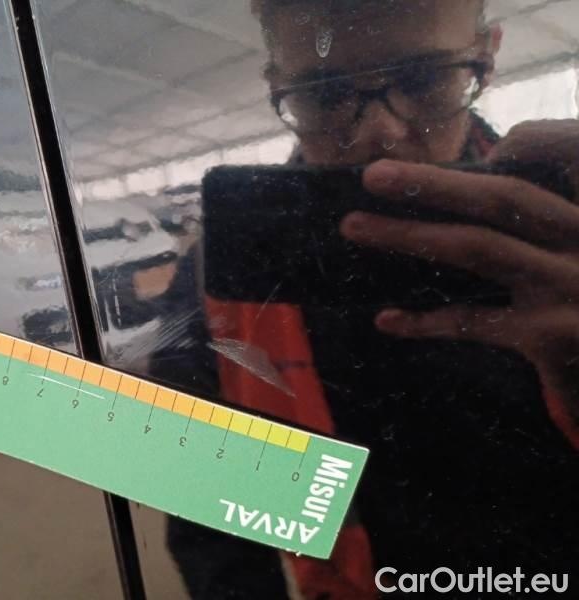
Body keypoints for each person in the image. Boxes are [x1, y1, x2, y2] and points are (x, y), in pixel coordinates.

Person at [149, 1, 579, 598]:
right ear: (278, 87)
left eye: (425, 81)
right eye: (324, 94)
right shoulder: (220, 275)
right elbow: (208, 502)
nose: (382, 134)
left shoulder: (565, 228)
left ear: (487, 56)